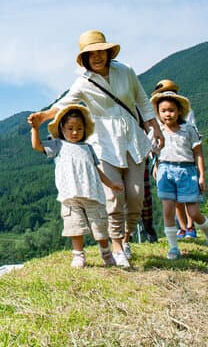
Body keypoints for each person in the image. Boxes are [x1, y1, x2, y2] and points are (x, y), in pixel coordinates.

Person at [28, 30, 164, 268]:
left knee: (135, 197)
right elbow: (65, 103)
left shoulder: (126, 71)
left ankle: (127, 238)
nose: (97, 57)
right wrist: (43, 116)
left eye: (100, 51)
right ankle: (117, 246)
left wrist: (155, 126)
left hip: (132, 137)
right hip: (103, 142)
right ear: (85, 58)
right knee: (113, 197)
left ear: (108, 52)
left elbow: (142, 99)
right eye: (91, 54)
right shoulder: (84, 82)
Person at [29, 104, 124, 268]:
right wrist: (35, 128)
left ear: (85, 129)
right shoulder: (58, 145)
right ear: (61, 129)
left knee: (99, 227)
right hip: (70, 195)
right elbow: (37, 146)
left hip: (92, 194)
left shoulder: (88, 148)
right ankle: (78, 255)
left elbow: (96, 169)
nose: (75, 132)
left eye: (79, 128)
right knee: (75, 227)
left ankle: (106, 252)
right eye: (70, 128)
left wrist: (111, 184)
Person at [150, 91, 208, 260]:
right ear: (158, 113)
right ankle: (173, 247)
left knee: (194, 212)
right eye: (163, 111)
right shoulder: (157, 131)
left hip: (187, 171)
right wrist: (155, 165)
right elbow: (153, 152)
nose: (168, 114)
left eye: (171, 110)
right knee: (168, 210)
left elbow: (198, 153)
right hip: (165, 171)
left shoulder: (188, 130)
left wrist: (201, 176)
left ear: (179, 111)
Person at [151, 80, 199, 239]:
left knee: (188, 198)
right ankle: (182, 228)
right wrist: (156, 165)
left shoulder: (186, 112)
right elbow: (156, 143)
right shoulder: (158, 115)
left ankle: (191, 227)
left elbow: (193, 132)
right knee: (174, 198)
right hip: (166, 160)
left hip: (184, 158)